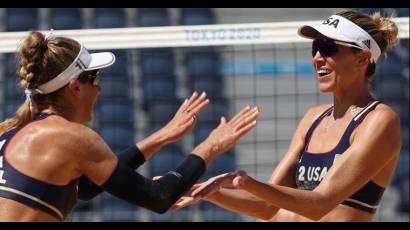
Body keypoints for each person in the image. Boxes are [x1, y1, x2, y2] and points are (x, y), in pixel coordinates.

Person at [0, 31, 260, 221]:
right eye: (94, 78)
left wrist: (161, 137)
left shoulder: (13, 132)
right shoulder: (69, 137)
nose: (99, 89)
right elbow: (159, 197)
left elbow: (87, 188)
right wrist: (212, 146)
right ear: (75, 87)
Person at [173, 10, 402, 222]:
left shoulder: (378, 120)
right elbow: (265, 206)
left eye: (329, 48)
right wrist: (205, 191)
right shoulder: (314, 118)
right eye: (315, 48)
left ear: (362, 59)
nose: (317, 58)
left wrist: (245, 182)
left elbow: (320, 204)